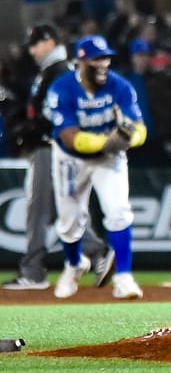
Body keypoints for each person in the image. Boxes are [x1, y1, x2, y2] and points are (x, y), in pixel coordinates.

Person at [2, 25, 112, 291]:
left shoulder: (60, 70)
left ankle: (34, 271)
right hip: (54, 147)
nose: (32, 50)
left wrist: (28, 127)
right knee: (58, 211)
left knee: (37, 210)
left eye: (36, 44)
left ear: (49, 41)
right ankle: (97, 252)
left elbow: (54, 113)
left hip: (50, 146)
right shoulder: (53, 71)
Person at [46, 34, 146, 299]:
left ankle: (124, 276)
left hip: (107, 157)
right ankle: (74, 264)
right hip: (70, 157)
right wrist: (107, 141)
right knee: (69, 222)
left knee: (118, 210)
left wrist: (128, 138)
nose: (103, 64)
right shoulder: (62, 88)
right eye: (96, 59)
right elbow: (71, 137)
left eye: (106, 58)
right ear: (80, 62)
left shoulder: (120, 86)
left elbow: (140, 129)